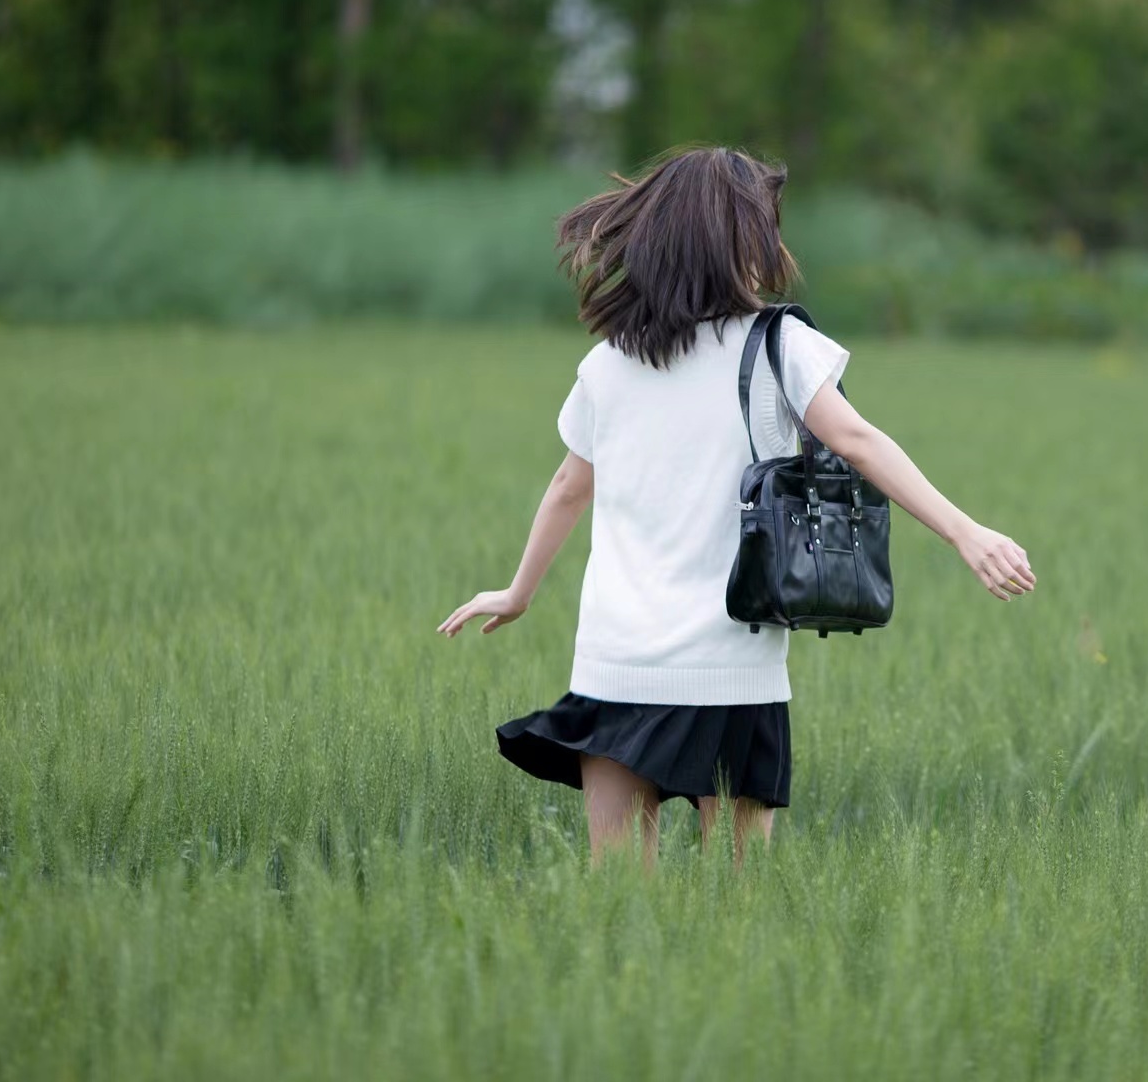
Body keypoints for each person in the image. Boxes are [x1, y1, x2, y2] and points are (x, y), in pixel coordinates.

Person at [437, 146, 1036, 866]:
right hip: (731, 667)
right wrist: (965, 533)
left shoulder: (609, 362)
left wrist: (520, 591)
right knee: (737, 900)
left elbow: (569, 486)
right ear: (740, 241)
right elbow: (858, 442)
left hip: (616, 661)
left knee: (619, 892)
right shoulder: (782, 344)